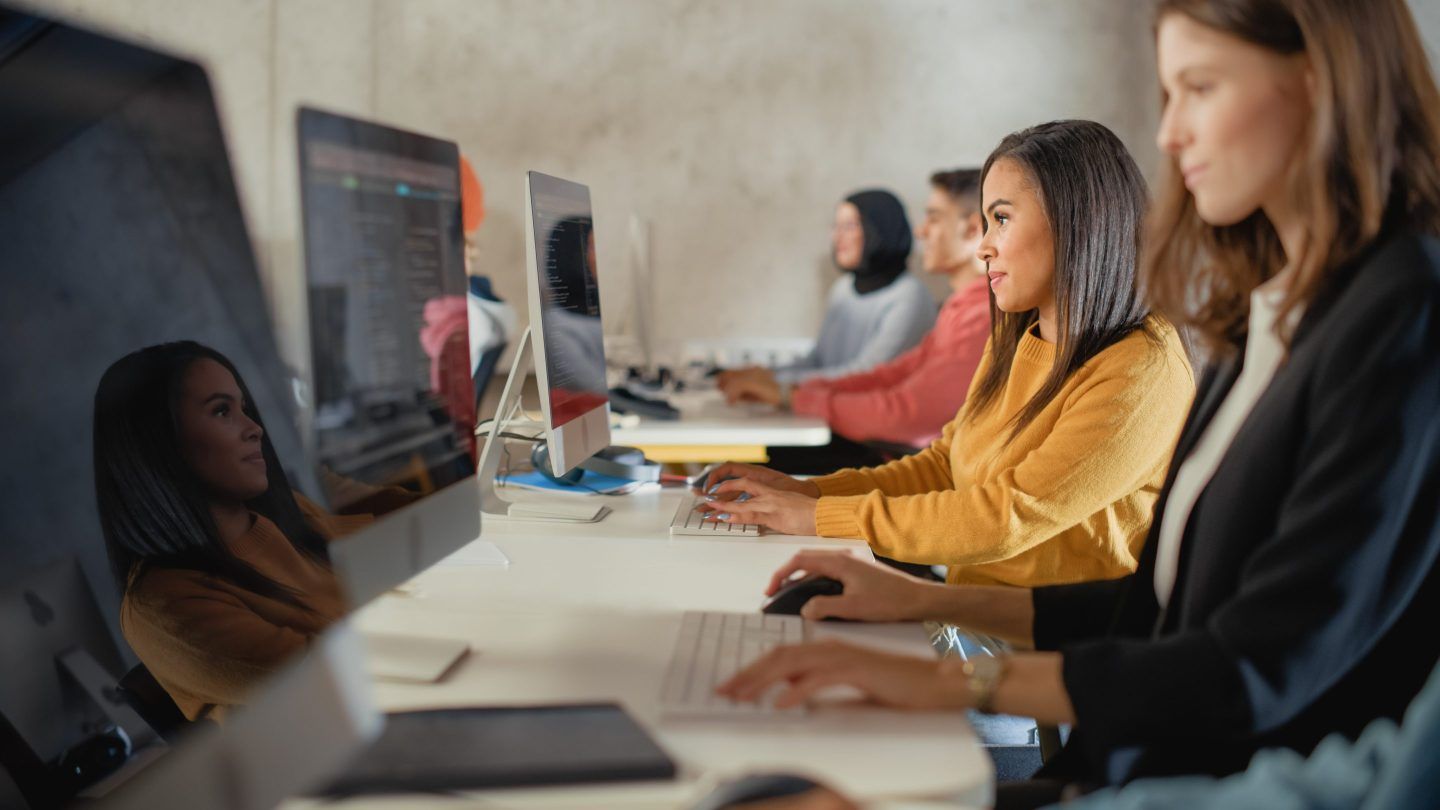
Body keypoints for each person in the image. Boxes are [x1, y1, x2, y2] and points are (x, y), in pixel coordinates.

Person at [714, 0, 1440, 806]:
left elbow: (1248, 671)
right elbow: (1153, 612)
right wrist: (914, 591)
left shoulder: (1397, 312)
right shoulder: (1262, 317)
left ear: (1321, 81)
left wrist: (959, 682)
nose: (1169, 136)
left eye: (1198, 89)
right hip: (1127, 750)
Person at [700, 120, 1195, 591]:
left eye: (1000, 219)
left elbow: (1007, 516)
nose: (983, 248)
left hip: (1044, 653)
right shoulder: (1019, 338)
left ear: (1078, 223)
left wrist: (816, 517)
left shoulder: (1141, 368)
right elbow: (944, 466)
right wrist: (810, 493)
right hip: (970, 619)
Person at [95, 342, 409, 722]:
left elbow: (391, 531)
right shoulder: (163, 606)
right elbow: (341, 674)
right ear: (159, 445)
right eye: (223, 410)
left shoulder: (282, 516)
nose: (255, 428)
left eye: (244, 408)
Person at [729, 169, 995, 477]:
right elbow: (891, 374)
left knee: (756, 473)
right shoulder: (959, 306)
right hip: (897, 453)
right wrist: (789, 388)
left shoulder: (977, 313)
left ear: (973, 229)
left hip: (910, 464)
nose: (921, 232)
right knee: (757, 467)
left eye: (933, 218)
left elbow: (908, 411)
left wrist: (794, 396)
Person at [716, 189, 936, 398]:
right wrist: (765, 374)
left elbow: (867, 375)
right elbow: (819, 361)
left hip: (874, 429)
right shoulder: (843, 289)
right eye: (835, 226)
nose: (837, 236)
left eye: (850, 226)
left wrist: (775, 382)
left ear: (881, 230)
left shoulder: (909, 297)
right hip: (832, 414)